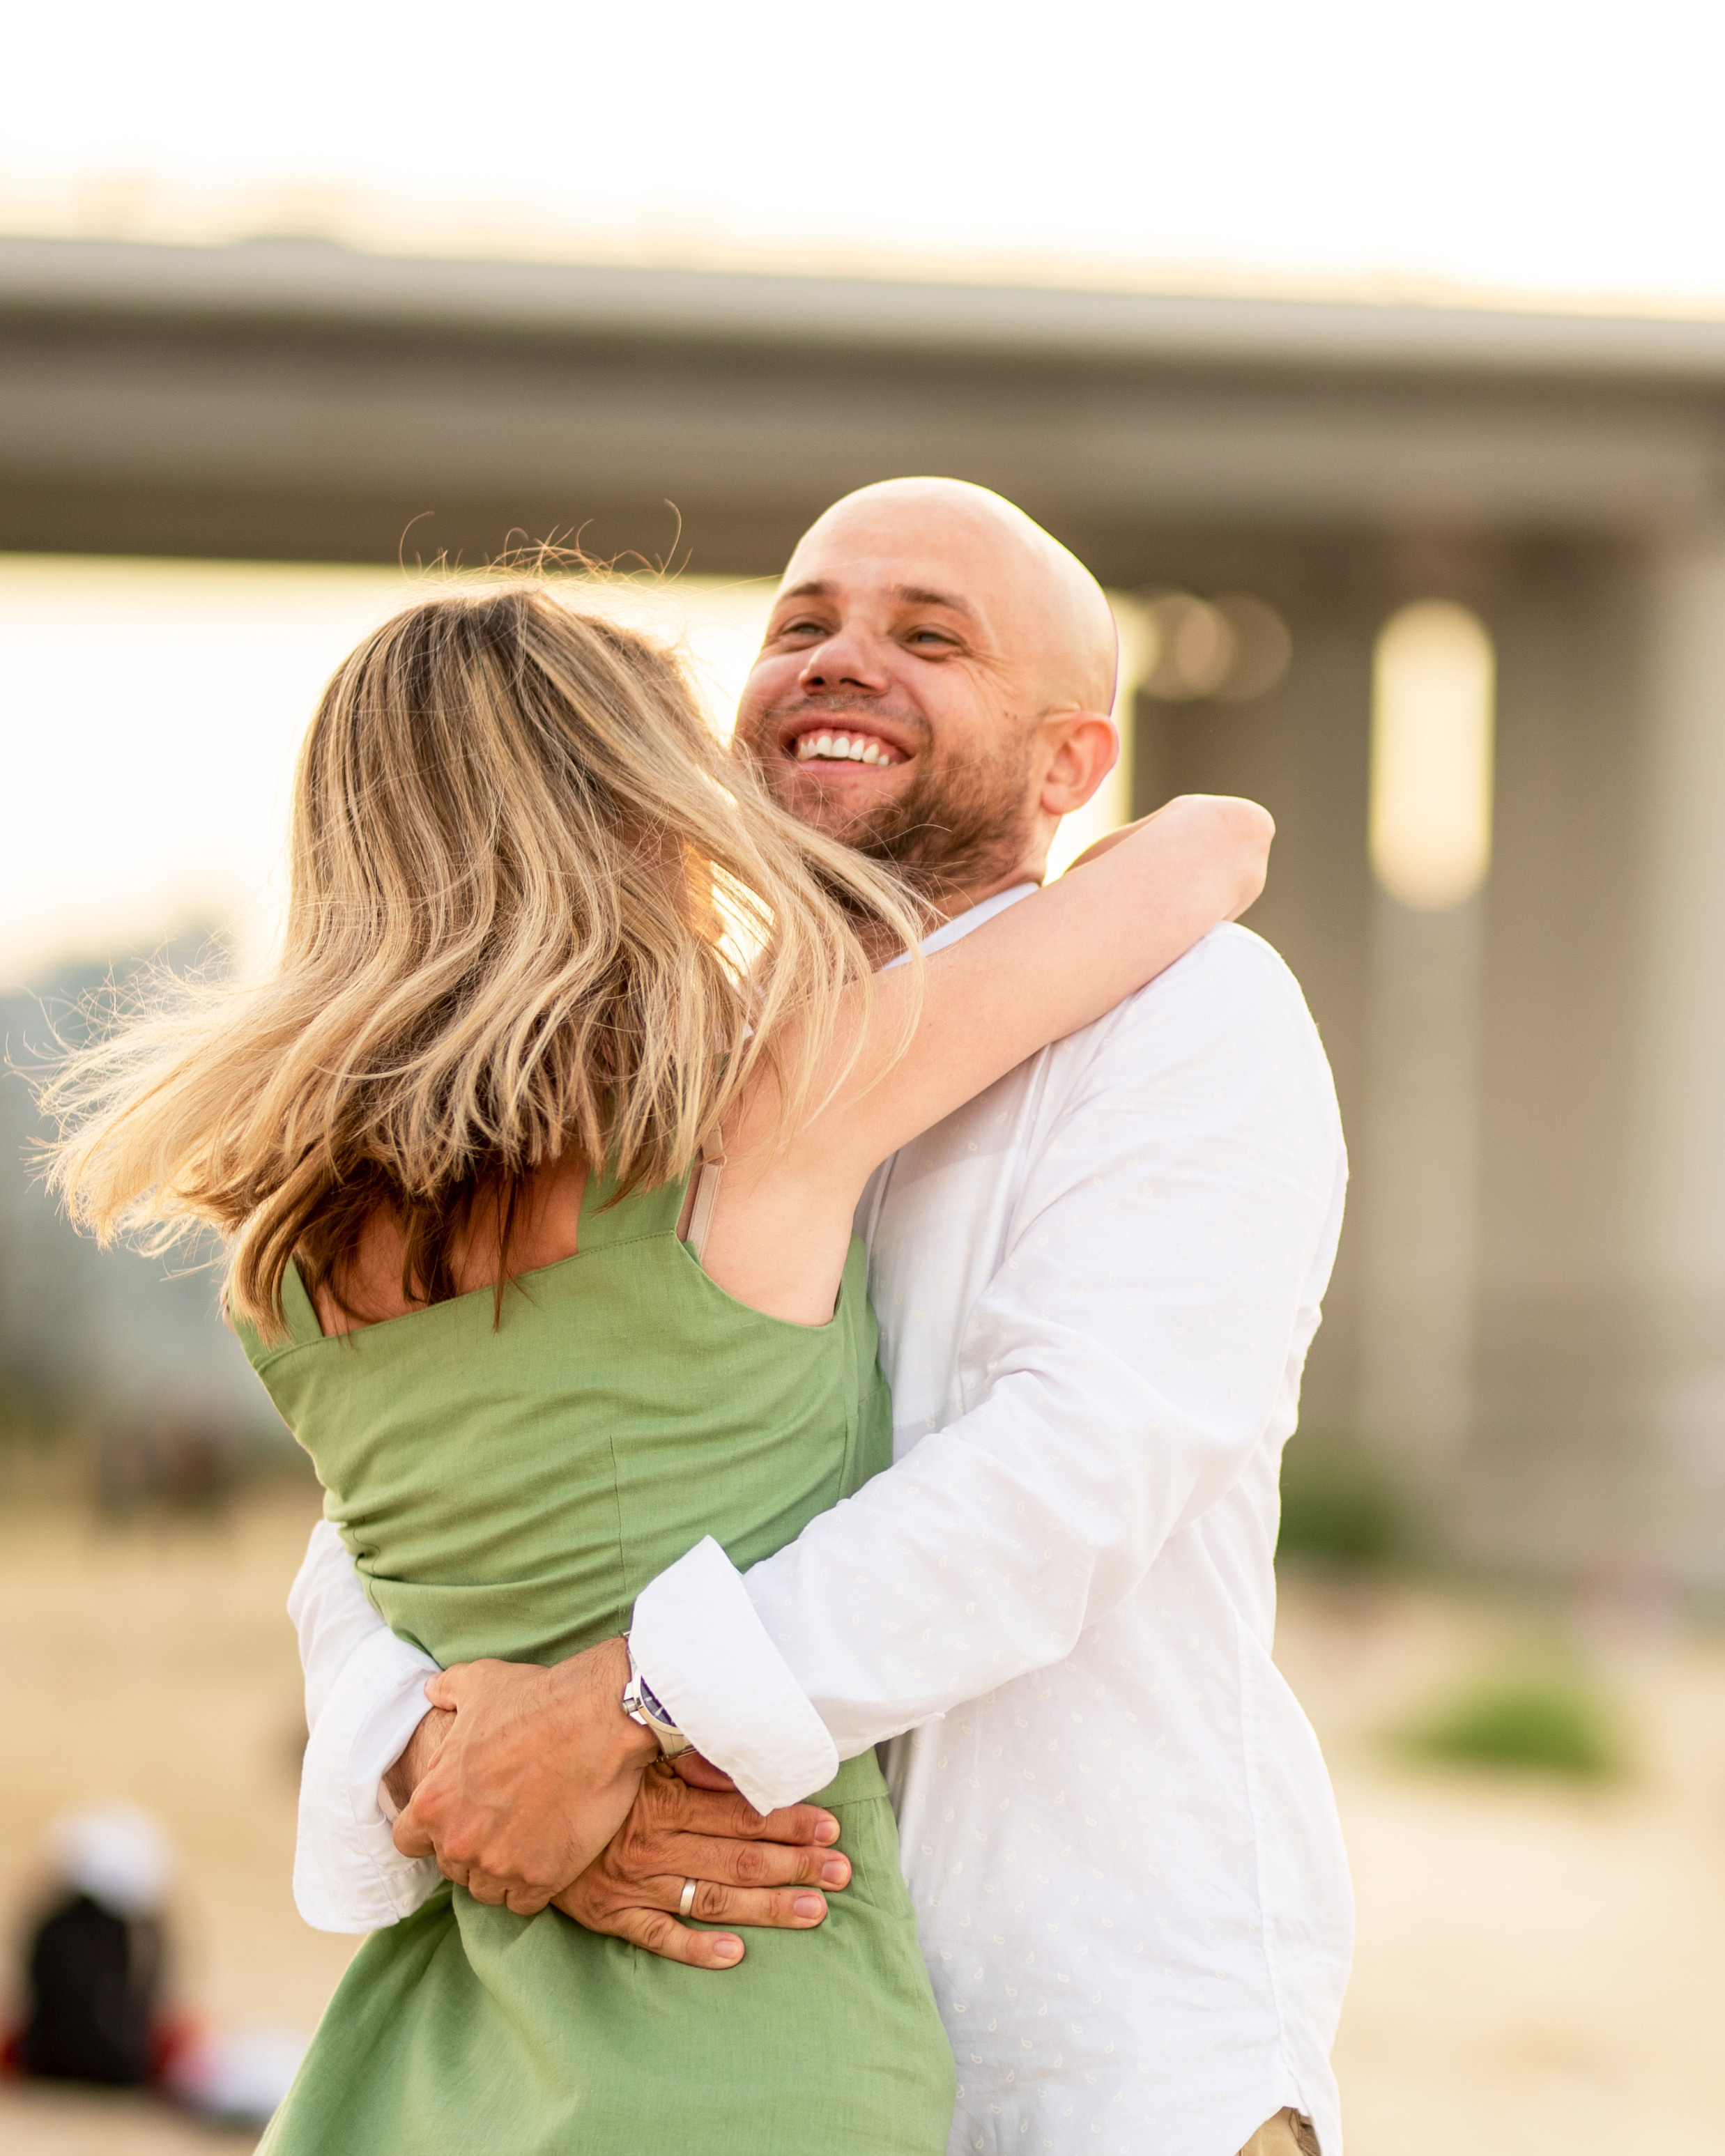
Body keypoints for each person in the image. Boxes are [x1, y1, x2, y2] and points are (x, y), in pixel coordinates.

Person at [43, 560, 1268, 2156]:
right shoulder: (756, 1124)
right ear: (632, 808)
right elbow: (1209, 848)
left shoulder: (285, 1259)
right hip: (743, 2032)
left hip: (438, 2041)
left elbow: (368, 1566)